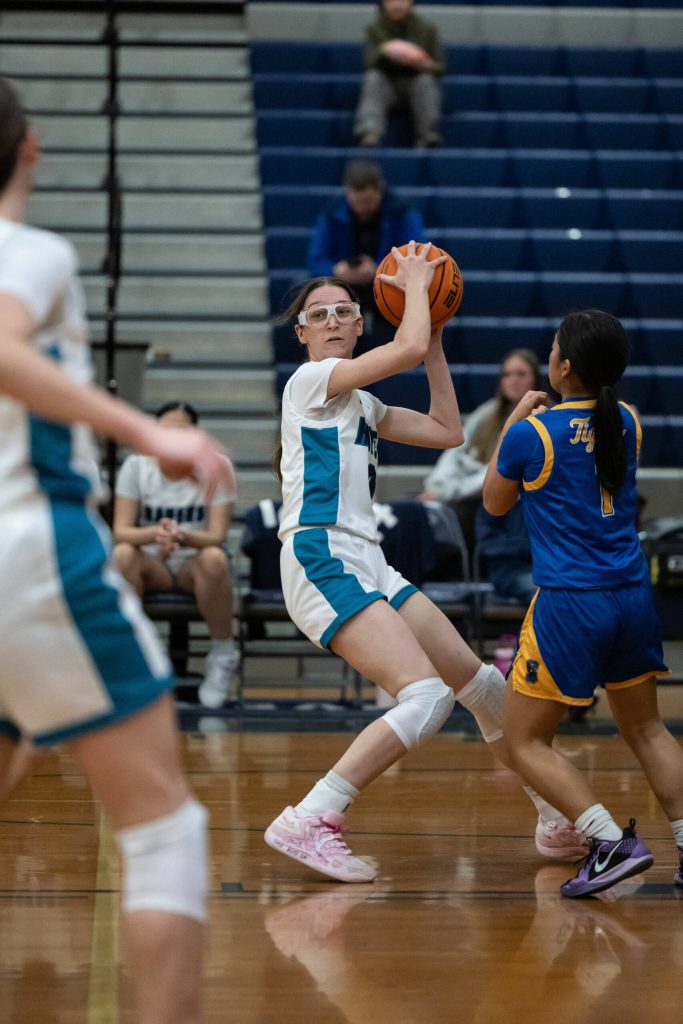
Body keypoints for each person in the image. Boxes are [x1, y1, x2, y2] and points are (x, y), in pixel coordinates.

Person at [0, 76, 236, 1023]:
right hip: (28, 549)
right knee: (162, 826)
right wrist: (152, 435)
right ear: (31, 149)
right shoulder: (32, 250)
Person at [264, 244, 588, 884]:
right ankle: (311, 816)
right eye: (317, 314)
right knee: (425, 695)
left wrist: (433, 334)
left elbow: (447, 430)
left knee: (484, 689)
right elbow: (403, 351)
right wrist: (417, 286)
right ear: (301, 333)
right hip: (319, 552)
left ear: (360, 325)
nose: (332, 321)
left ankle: (553, 818)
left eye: (343, 312)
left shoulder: (364, 405)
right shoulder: (309, 382)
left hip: (366, 559)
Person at [483, 308, 683, 898]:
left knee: (523, 742)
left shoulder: (532, 433)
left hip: (570, 604)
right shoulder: (629, 420)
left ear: (563, 367)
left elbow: (494, 504)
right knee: (648, 729)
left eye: (552, 348)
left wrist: (516, 418)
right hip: (630, 595)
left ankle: (606, 841)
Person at [113, 400, 239, 708]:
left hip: (191, 564)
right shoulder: (136, 465)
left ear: (195, 435)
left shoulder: (217, 465)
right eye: (165, 431)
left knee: (215, 558)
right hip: (152, 562)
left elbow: (216, 536)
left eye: (181, 431)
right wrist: (157, 534)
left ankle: (223, 655)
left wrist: (182, 536)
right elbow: (121, 530)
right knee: (123, 554)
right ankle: (132, 656)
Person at [421, 348, 541, 576]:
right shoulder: (487, 413)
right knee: (419, 509)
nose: (513, 380)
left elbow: (501, 470)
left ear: (535, 377)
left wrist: (448, 492)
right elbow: (456, 453)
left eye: (521, 374)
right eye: (507, 374)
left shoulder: (542, 416)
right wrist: (437, 486)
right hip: (468, 495)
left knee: (449, 517)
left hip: (506, 506)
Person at [307, 158, 424, 341]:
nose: (362, 208)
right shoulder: (331, 214)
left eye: (368, 201)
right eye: (357, 201)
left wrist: (379, 271)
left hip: (388, 286)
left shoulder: (402, 213)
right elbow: (315, 260)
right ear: (348, 193)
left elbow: (415, 259)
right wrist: (336, 271)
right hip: (343, 287)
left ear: (380, 190)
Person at [354, 0, 445, 148]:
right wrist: (384, 52)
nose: (397, 5)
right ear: (383, 4)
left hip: (416, 83)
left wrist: (424, 64)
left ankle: (428, 135)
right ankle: (370, 132)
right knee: (373, 78)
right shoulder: (374, 29)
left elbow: (439, 67)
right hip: (387, 85)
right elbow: (369, 63)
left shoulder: (427, 29)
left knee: (426, 80)